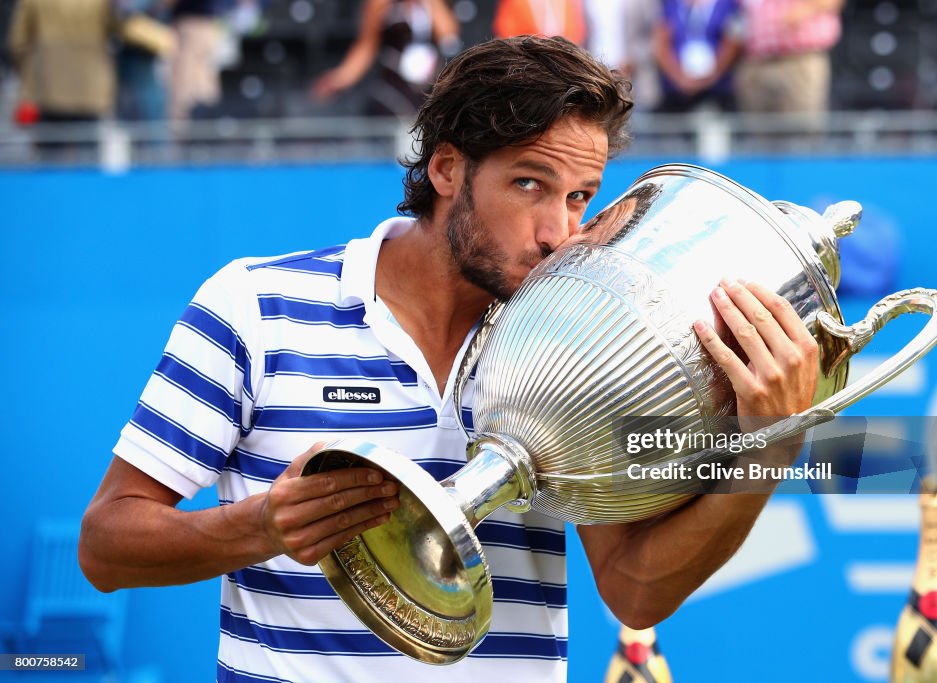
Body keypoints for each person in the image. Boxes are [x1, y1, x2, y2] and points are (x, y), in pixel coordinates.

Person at [79, 36, 820, 682]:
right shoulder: (253, 304)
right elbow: (107, 545)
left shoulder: (588, 338)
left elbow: (634, 592)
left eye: (581, 196)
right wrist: (260, 528)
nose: (558, 231)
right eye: (530, 184)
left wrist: (767, 444)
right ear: (445, 169)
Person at [311, 0, 460, 119]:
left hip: (427, 84)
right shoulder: (380, 3)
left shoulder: (432, 4)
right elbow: (367, 45)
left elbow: (448, 35)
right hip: (393, 84)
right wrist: (341, 77)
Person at [734, 0, 844, 125]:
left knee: (799, 131)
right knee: (756, 134)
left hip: (799, 59)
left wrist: (806, 9)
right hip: (753, 61)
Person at [653, 0, 744, 112]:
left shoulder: (728, 4)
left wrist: (710, 78)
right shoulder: (669, 5)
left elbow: (733, 42)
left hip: (718, 91)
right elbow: (661, 44)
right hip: (677, 93)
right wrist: (680, 79)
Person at [492, 0, 587, 45]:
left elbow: (577, 30)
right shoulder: (515, 3)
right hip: (528, 59)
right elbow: (505, 32)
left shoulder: (567, 3)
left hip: (563, 59)